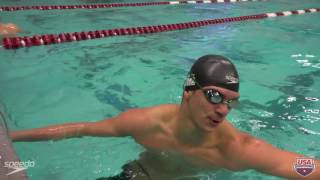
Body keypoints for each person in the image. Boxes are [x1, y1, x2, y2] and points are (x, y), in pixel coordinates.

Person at [10, 55, 320, 180]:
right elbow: (79, 129)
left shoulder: (238, 148)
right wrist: (11, 137)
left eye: (231, 102)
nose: (223, 110)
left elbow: (297, 166)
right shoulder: (146, 122)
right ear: (189, 92)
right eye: (214, 96)